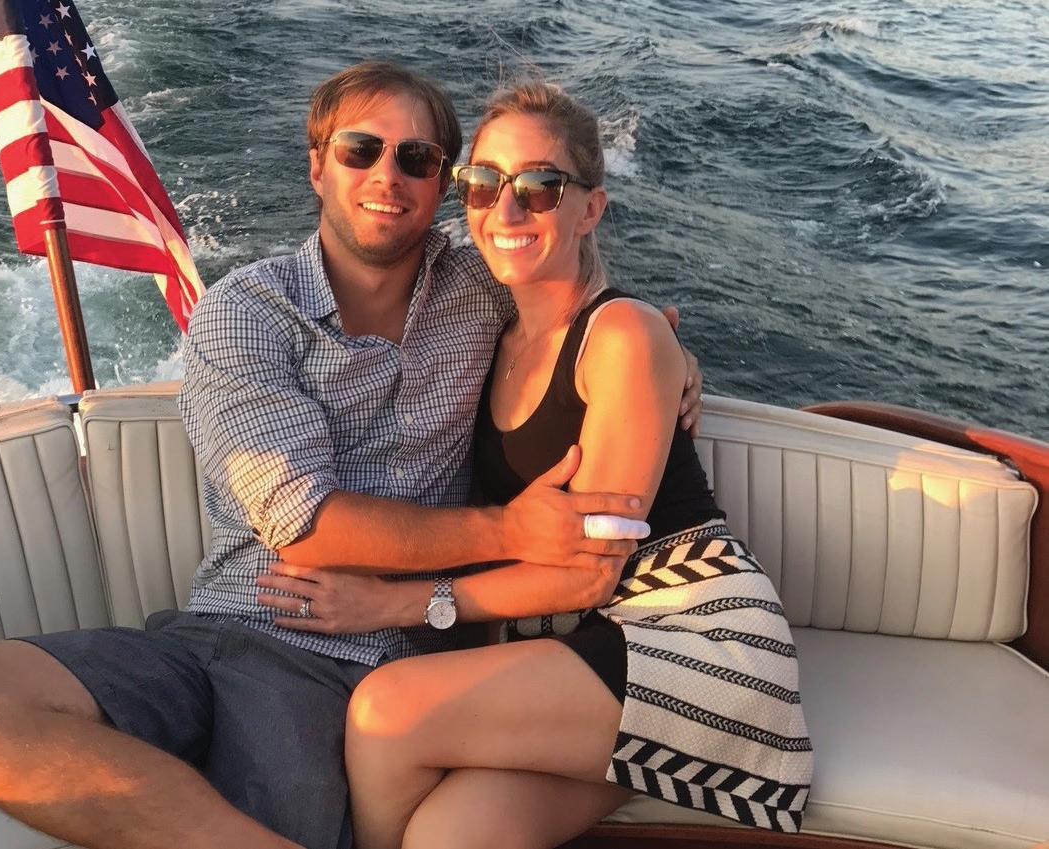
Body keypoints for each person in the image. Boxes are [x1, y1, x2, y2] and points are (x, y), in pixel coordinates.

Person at [0, 63, 702, 849]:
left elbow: (579, 308)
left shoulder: (482, 286)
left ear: (442, 187)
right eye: (361, 150)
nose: (387, 177)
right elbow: (306, 527)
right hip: (235, 632)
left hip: (378, 669)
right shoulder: (248, 315)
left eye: (417, 159)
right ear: (317, 166)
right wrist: (509, 530)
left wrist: (668, 352)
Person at [259, 82, 813, 848]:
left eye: (540, 187)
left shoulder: (620, 335)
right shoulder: (495, 330)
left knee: (386, 710)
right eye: (483, 184)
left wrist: (386, 603)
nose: (507, 211)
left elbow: (585, 574)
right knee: (451, 834)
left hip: (691, 636)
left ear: (590, 208)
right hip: (580, 651)